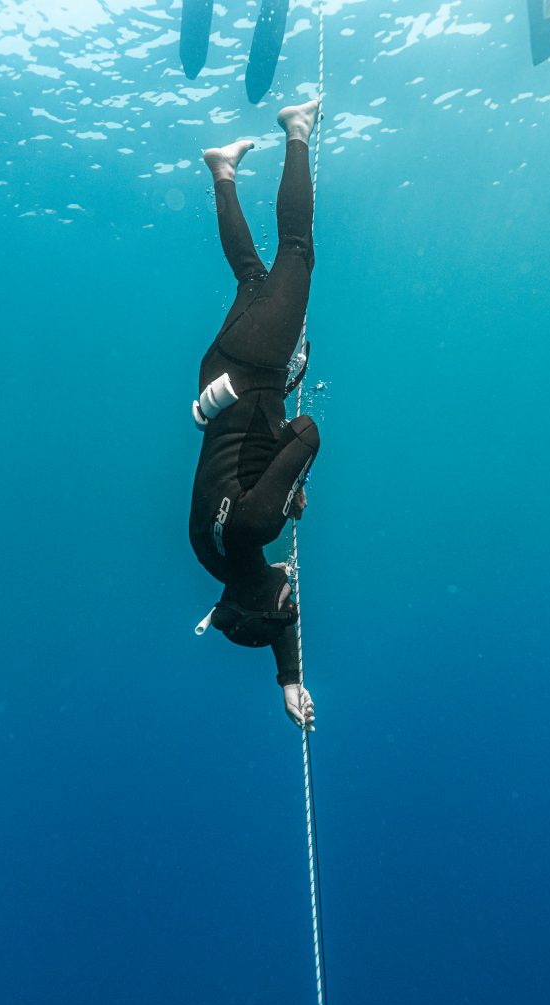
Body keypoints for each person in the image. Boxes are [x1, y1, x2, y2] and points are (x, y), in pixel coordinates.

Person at [190, 99, 320, 731]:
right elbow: (257, 607)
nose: (293, 592)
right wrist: (289, 679)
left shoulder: (259, 529)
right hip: (219, 372)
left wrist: (290, 490)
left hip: (258, 366)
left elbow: (308, 432)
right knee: (251, 274)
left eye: (288, 598)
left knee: (297, 252)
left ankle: (297, 129)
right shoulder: (215, 559)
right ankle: (222, 170)